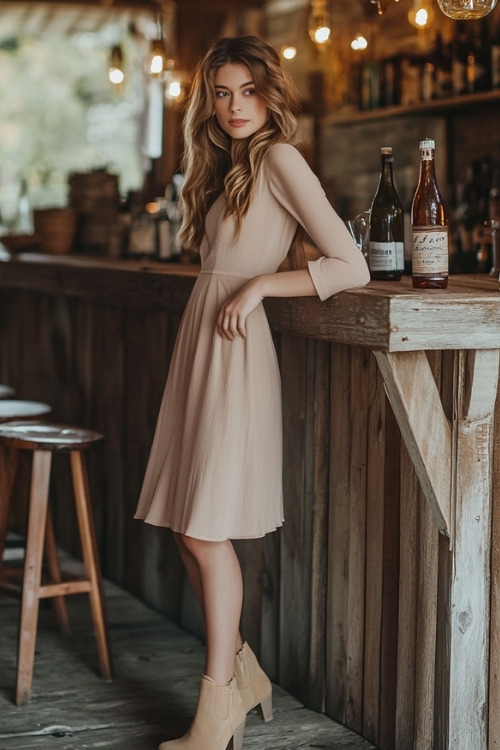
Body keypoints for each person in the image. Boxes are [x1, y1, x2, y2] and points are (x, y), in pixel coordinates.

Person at [134, 35, 370, 750]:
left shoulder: (278, 158)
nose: (235, 106)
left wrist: (266, 282)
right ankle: (243, 673)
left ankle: (219, 706)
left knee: (206, 531)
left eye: (247, 90)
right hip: (202, 346)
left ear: (270, 93)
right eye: (222, 93)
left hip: (236, 352)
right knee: (186, 526)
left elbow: (350, 263)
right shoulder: (229, 164)